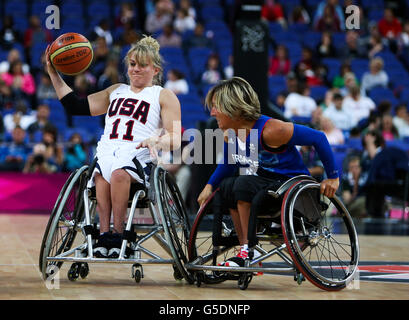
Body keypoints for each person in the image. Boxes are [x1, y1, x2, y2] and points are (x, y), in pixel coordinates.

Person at [45, 36, 181, 259]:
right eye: (132, 64)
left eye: (142, 65)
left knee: (118, 172)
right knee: (102, 174)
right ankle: (103, 234)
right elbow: (75, 106)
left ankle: (120, 235)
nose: (135, 69)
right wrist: (53, 73)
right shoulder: (116, 90)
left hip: (139, 153)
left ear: (155, 69)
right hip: (109, 149)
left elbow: (175, 137)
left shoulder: (164, 95)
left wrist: (157, 141)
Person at [197, 77, 339, 267]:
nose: (212, 112)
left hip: (293, 187)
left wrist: (333, 177)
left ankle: (248, 251)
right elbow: (229, 163)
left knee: (242, 183)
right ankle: (244, 248)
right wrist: (209, 186)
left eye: (216, 106)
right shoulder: (232, 133)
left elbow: (319, 138)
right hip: (267, 183)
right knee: (227, 186)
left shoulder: (272, 130)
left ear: (234, 107)